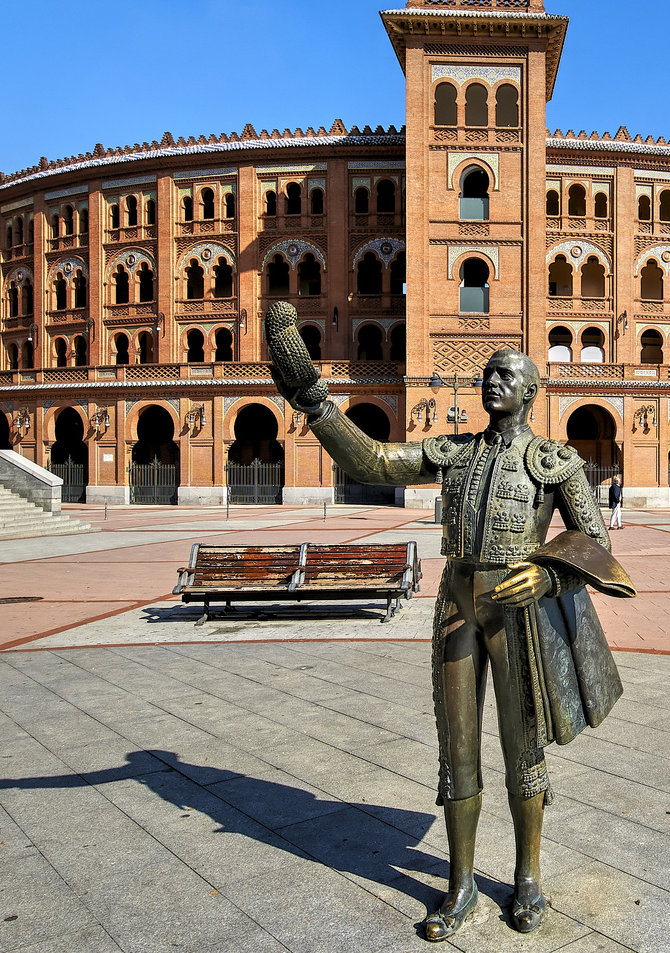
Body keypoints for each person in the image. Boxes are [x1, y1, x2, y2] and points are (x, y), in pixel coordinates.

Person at [269, 315, 635, 941]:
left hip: (518, 605)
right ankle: (460, 883)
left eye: (508, 376)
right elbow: (377, 462)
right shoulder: (455, 452)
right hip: (457, 604)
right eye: (489, 374)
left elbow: (593, 540)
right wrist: (314, 403)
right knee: (456, 750)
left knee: (523, 747)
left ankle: (527, 879)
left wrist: (548, 577)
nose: (492, 383)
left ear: (532, 392)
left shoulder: (555, 461)